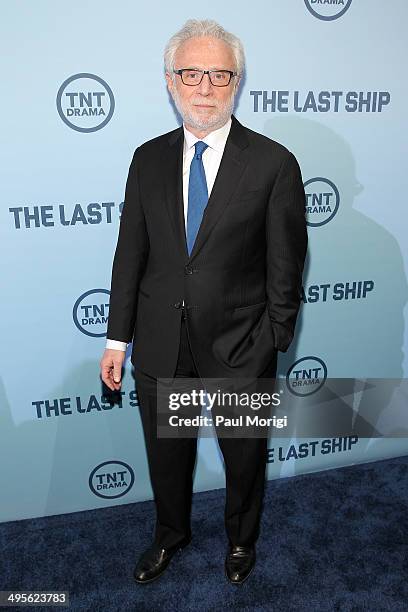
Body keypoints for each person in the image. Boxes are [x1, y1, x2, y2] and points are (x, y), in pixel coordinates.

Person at [100, 18, 308, 585]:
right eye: (191, 73)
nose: (205, 86)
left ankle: (242, 540)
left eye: (219, 74)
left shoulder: (272, 163)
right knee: (168, 459)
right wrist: (118, 338)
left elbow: (287, 266)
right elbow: (129, 255)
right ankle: (171, 535)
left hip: (241, 347)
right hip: (162, 344)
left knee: (244, 459)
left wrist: (272, 340)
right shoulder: (146, 160)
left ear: (236, 82)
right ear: (170, 81)